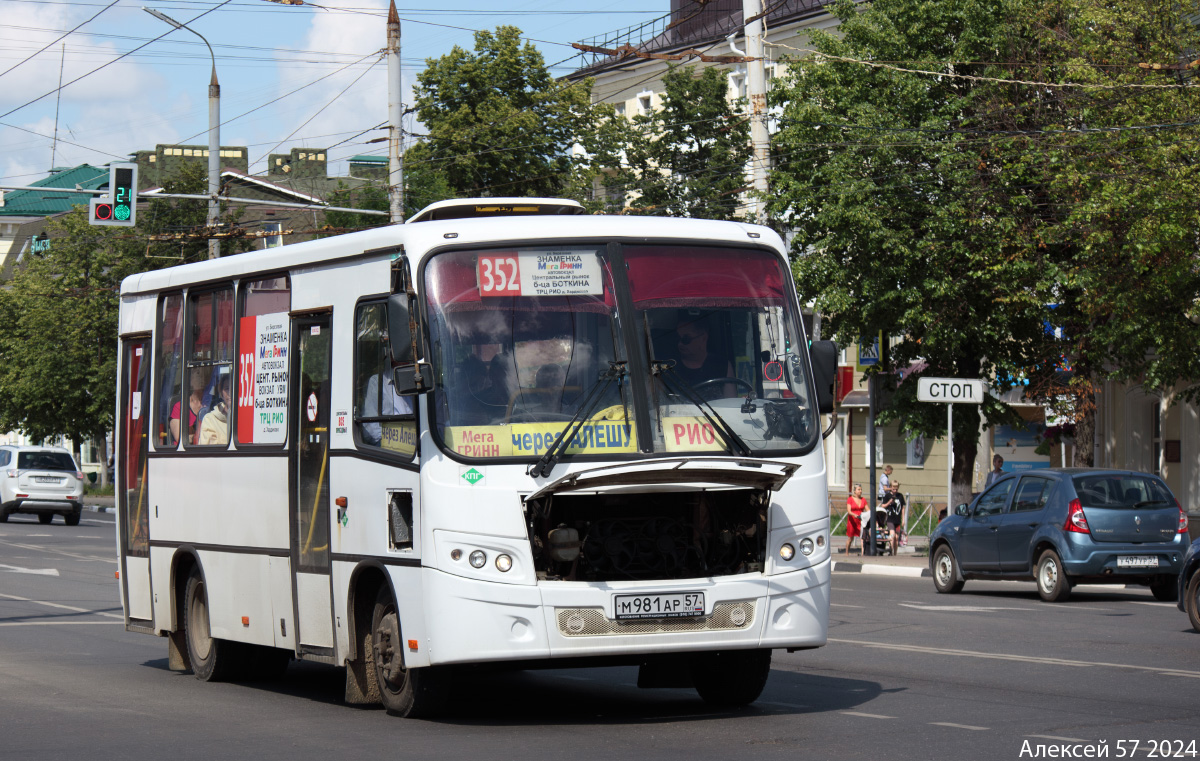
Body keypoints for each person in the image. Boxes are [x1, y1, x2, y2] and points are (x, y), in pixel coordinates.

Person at [670, 316, 735, 399]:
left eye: (686, 339)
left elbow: (730, 403)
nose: (680, 343)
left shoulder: (722, 365)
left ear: (703, 338)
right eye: (677, 338)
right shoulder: (669, 368)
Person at [362, 369, 414, 446]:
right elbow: (370, 424)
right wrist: (390, 440)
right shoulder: (378, 381)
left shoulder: (420, 381)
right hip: (389, 445)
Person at [170, 373, 205, 445]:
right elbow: (179, 437)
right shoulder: (180, 406)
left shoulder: (211, 404)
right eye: (198, 375)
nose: (201, 379)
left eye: (202, 376)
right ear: (191, 381)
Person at [197, 376, 231, 446]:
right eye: (227, 388)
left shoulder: (248, 418)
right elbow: (209, 452)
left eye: (235, 388)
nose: (231, 393)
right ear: (221, 393)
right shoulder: (210, 419)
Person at [884, 481, 907, 555]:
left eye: (896, 489)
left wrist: (903, 519)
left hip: (897, 519)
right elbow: (883, 506)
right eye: (893, 489)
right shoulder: (887, 496)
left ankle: (895, 553)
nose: (895, 491)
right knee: (892, 535)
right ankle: (890, 551)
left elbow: (903, 508)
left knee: (897, 538)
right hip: (890, 518)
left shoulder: (900, 496)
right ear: (891, 487)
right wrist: (889, 502)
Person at [844, 484, 867, 556]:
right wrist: (854, 515)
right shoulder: (850, 499)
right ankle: (847, 552)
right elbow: (849, 511)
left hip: (860, 520)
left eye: (861, 489)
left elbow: (867, 509)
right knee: (850, 538)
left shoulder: (863, 499)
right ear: (854, 491)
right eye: (859, 489)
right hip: (852, 521)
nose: (860, 491)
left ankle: (863, 554)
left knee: (862, 538)